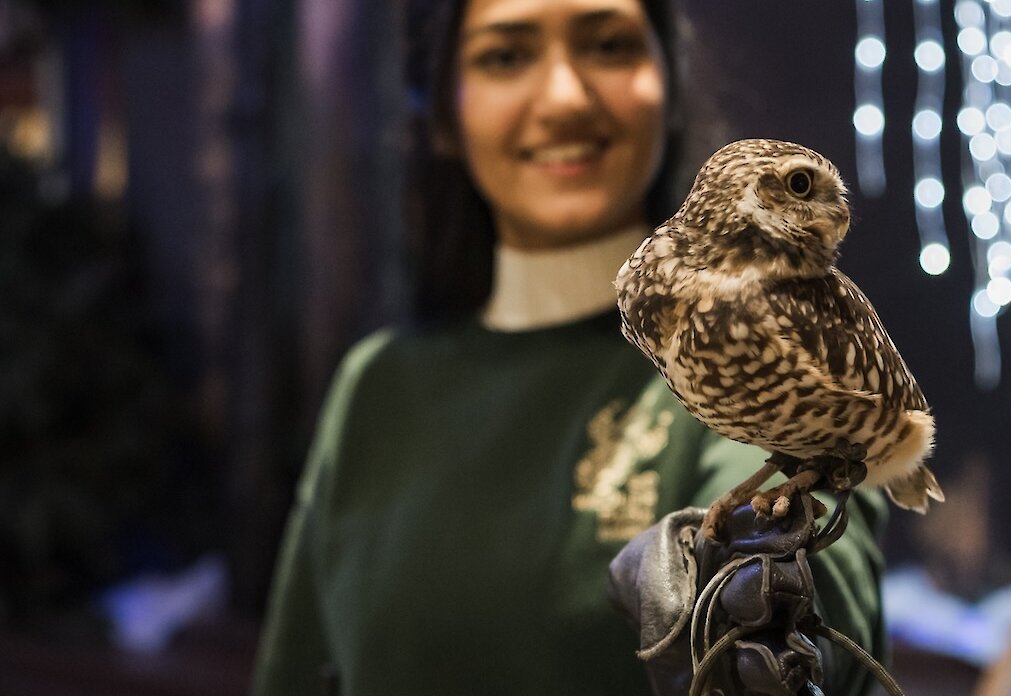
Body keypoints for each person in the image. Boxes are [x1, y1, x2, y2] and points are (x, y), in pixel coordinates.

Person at [252, 0, 888, 694]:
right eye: (505, 55)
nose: (563, 97)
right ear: (444, 113)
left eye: (609, 45)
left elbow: (826, 579)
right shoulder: (375, 385)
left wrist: (763, 605)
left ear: (669, 85)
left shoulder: (760, 341)